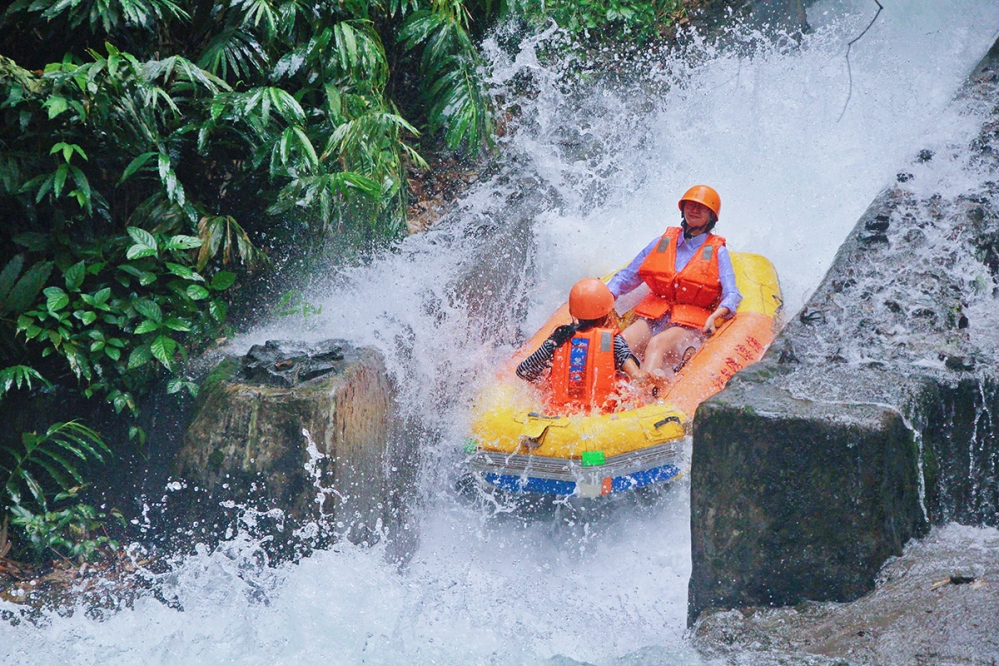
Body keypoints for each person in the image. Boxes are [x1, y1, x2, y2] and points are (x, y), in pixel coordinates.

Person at [606, 185, 742, 378]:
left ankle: (645, 391)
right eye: (690, 205)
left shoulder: (718, 251)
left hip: (690, 324)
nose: (694, 210)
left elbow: (732, 294)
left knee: (657, 344)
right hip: (655, 316)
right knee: (623, 341)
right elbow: (627, 276)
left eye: (702, 208)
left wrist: (715, 316)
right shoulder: (661, 242)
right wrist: (606, 296)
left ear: (711, 216)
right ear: (683, 208)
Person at [516, 278, 652, 413]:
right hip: (601, 413)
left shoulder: (558, 339)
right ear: (606, 314)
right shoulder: (610, 341)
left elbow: (523, 370)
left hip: (560, 413)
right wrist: (655, 380)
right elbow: (637, 377)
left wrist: (545, 382)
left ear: (572, 312)